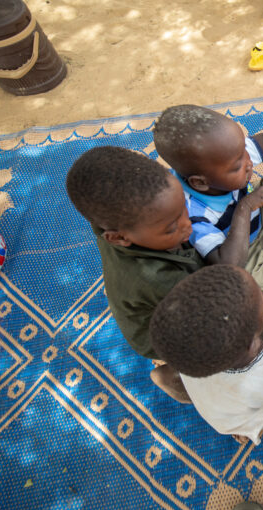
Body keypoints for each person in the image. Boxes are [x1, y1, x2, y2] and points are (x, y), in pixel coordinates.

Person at [66, 146, 201, 403]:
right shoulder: (158, 277)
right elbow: (217, 304)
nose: (188, 224)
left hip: (149, 301)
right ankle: (174, 378)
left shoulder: (114, 218)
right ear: (118, 238)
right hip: (160, 335)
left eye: (183, 207)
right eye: (172, 226)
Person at [153, 105, 263, 291]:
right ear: (200, 183)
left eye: (244, 151)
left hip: (260, 209)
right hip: (239, 248)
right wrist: (245, 207)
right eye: (236, 167)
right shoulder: (193, 214)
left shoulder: (228, 153)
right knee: (240, 282)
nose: (248, 163)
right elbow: (229, 265)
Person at [149, 265, 263, 444]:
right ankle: (252, 429)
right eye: (261, 297)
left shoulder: (193, 348)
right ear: (252, 336)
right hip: (244, 412)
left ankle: (175, 381)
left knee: (167, 377)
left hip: (216, 398)